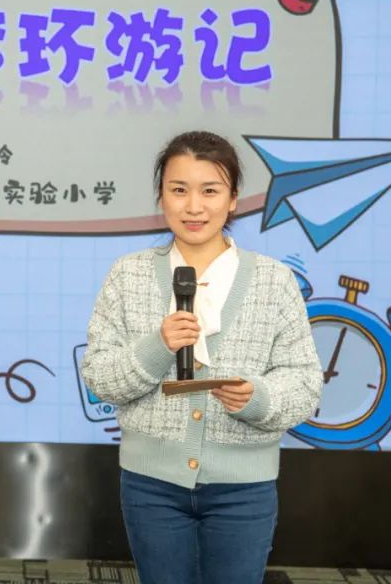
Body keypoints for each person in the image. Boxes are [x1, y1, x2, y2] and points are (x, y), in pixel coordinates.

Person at [80, 130, 323, 584]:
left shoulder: (274, 280)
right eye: (179, 190)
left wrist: (257, 399)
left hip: (244, 489)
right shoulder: (128, 275)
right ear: (161, 197)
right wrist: (158, 346)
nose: (194, 206)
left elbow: (305, 384)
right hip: (151, 487)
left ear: (233, 200)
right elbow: (99, 376)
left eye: (210, 191)